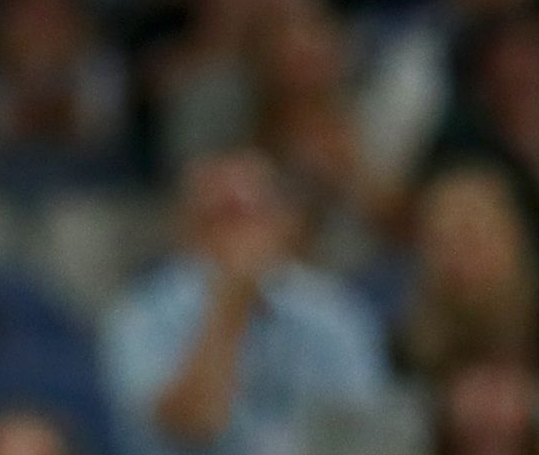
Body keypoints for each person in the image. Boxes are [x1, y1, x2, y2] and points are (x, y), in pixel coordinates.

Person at [103, 148, 390, 455]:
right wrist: (230, 303)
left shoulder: (335, 312)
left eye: (254, 214)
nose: (241, 236)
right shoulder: (142, 314)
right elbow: (193, 424)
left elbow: (363, 436)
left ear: (285, 223)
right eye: (224, 216)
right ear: (186, 226)